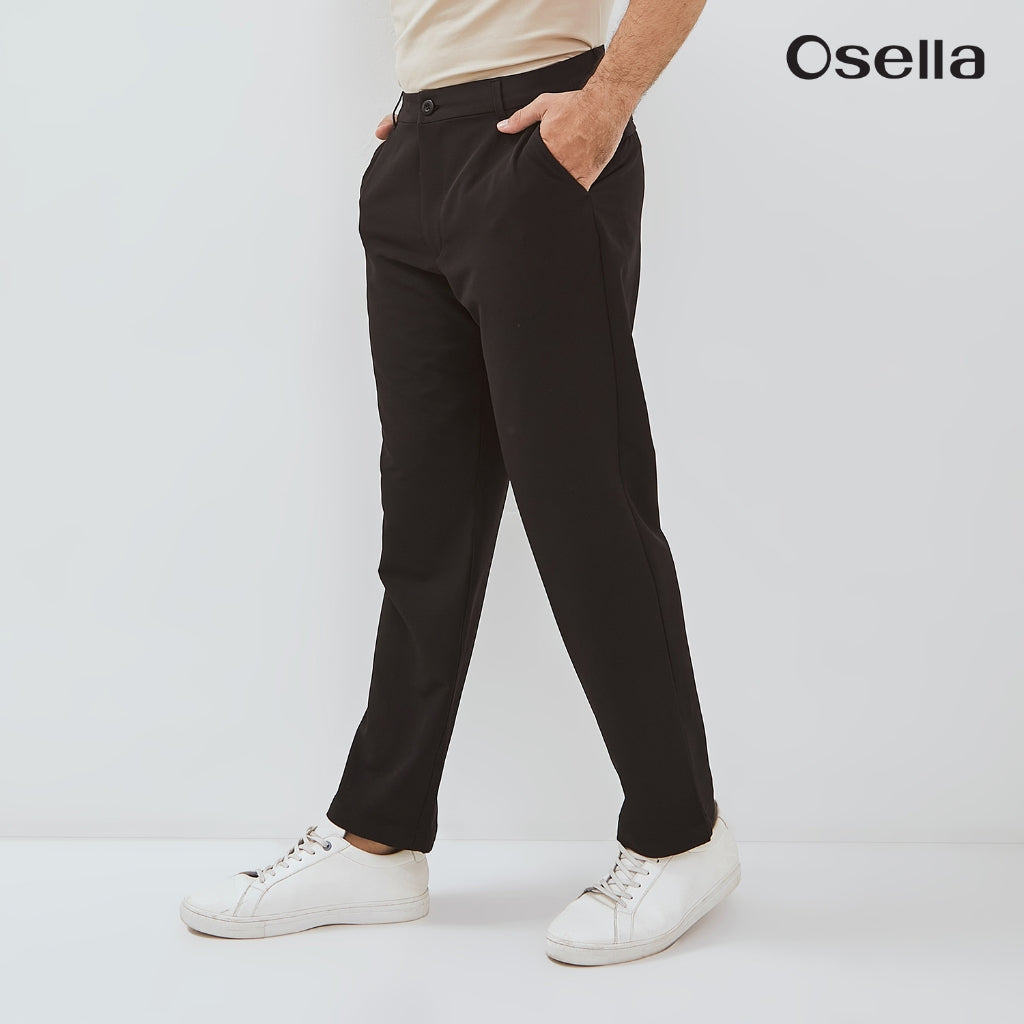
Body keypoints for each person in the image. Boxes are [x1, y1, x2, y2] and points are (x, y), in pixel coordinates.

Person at [180, 0, 741, 965]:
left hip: (538, 141)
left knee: (583, 505)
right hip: (416, 146)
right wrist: (427, 118)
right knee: (424, 522)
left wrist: (605, 102)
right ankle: (378, 837)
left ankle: (680, 833)